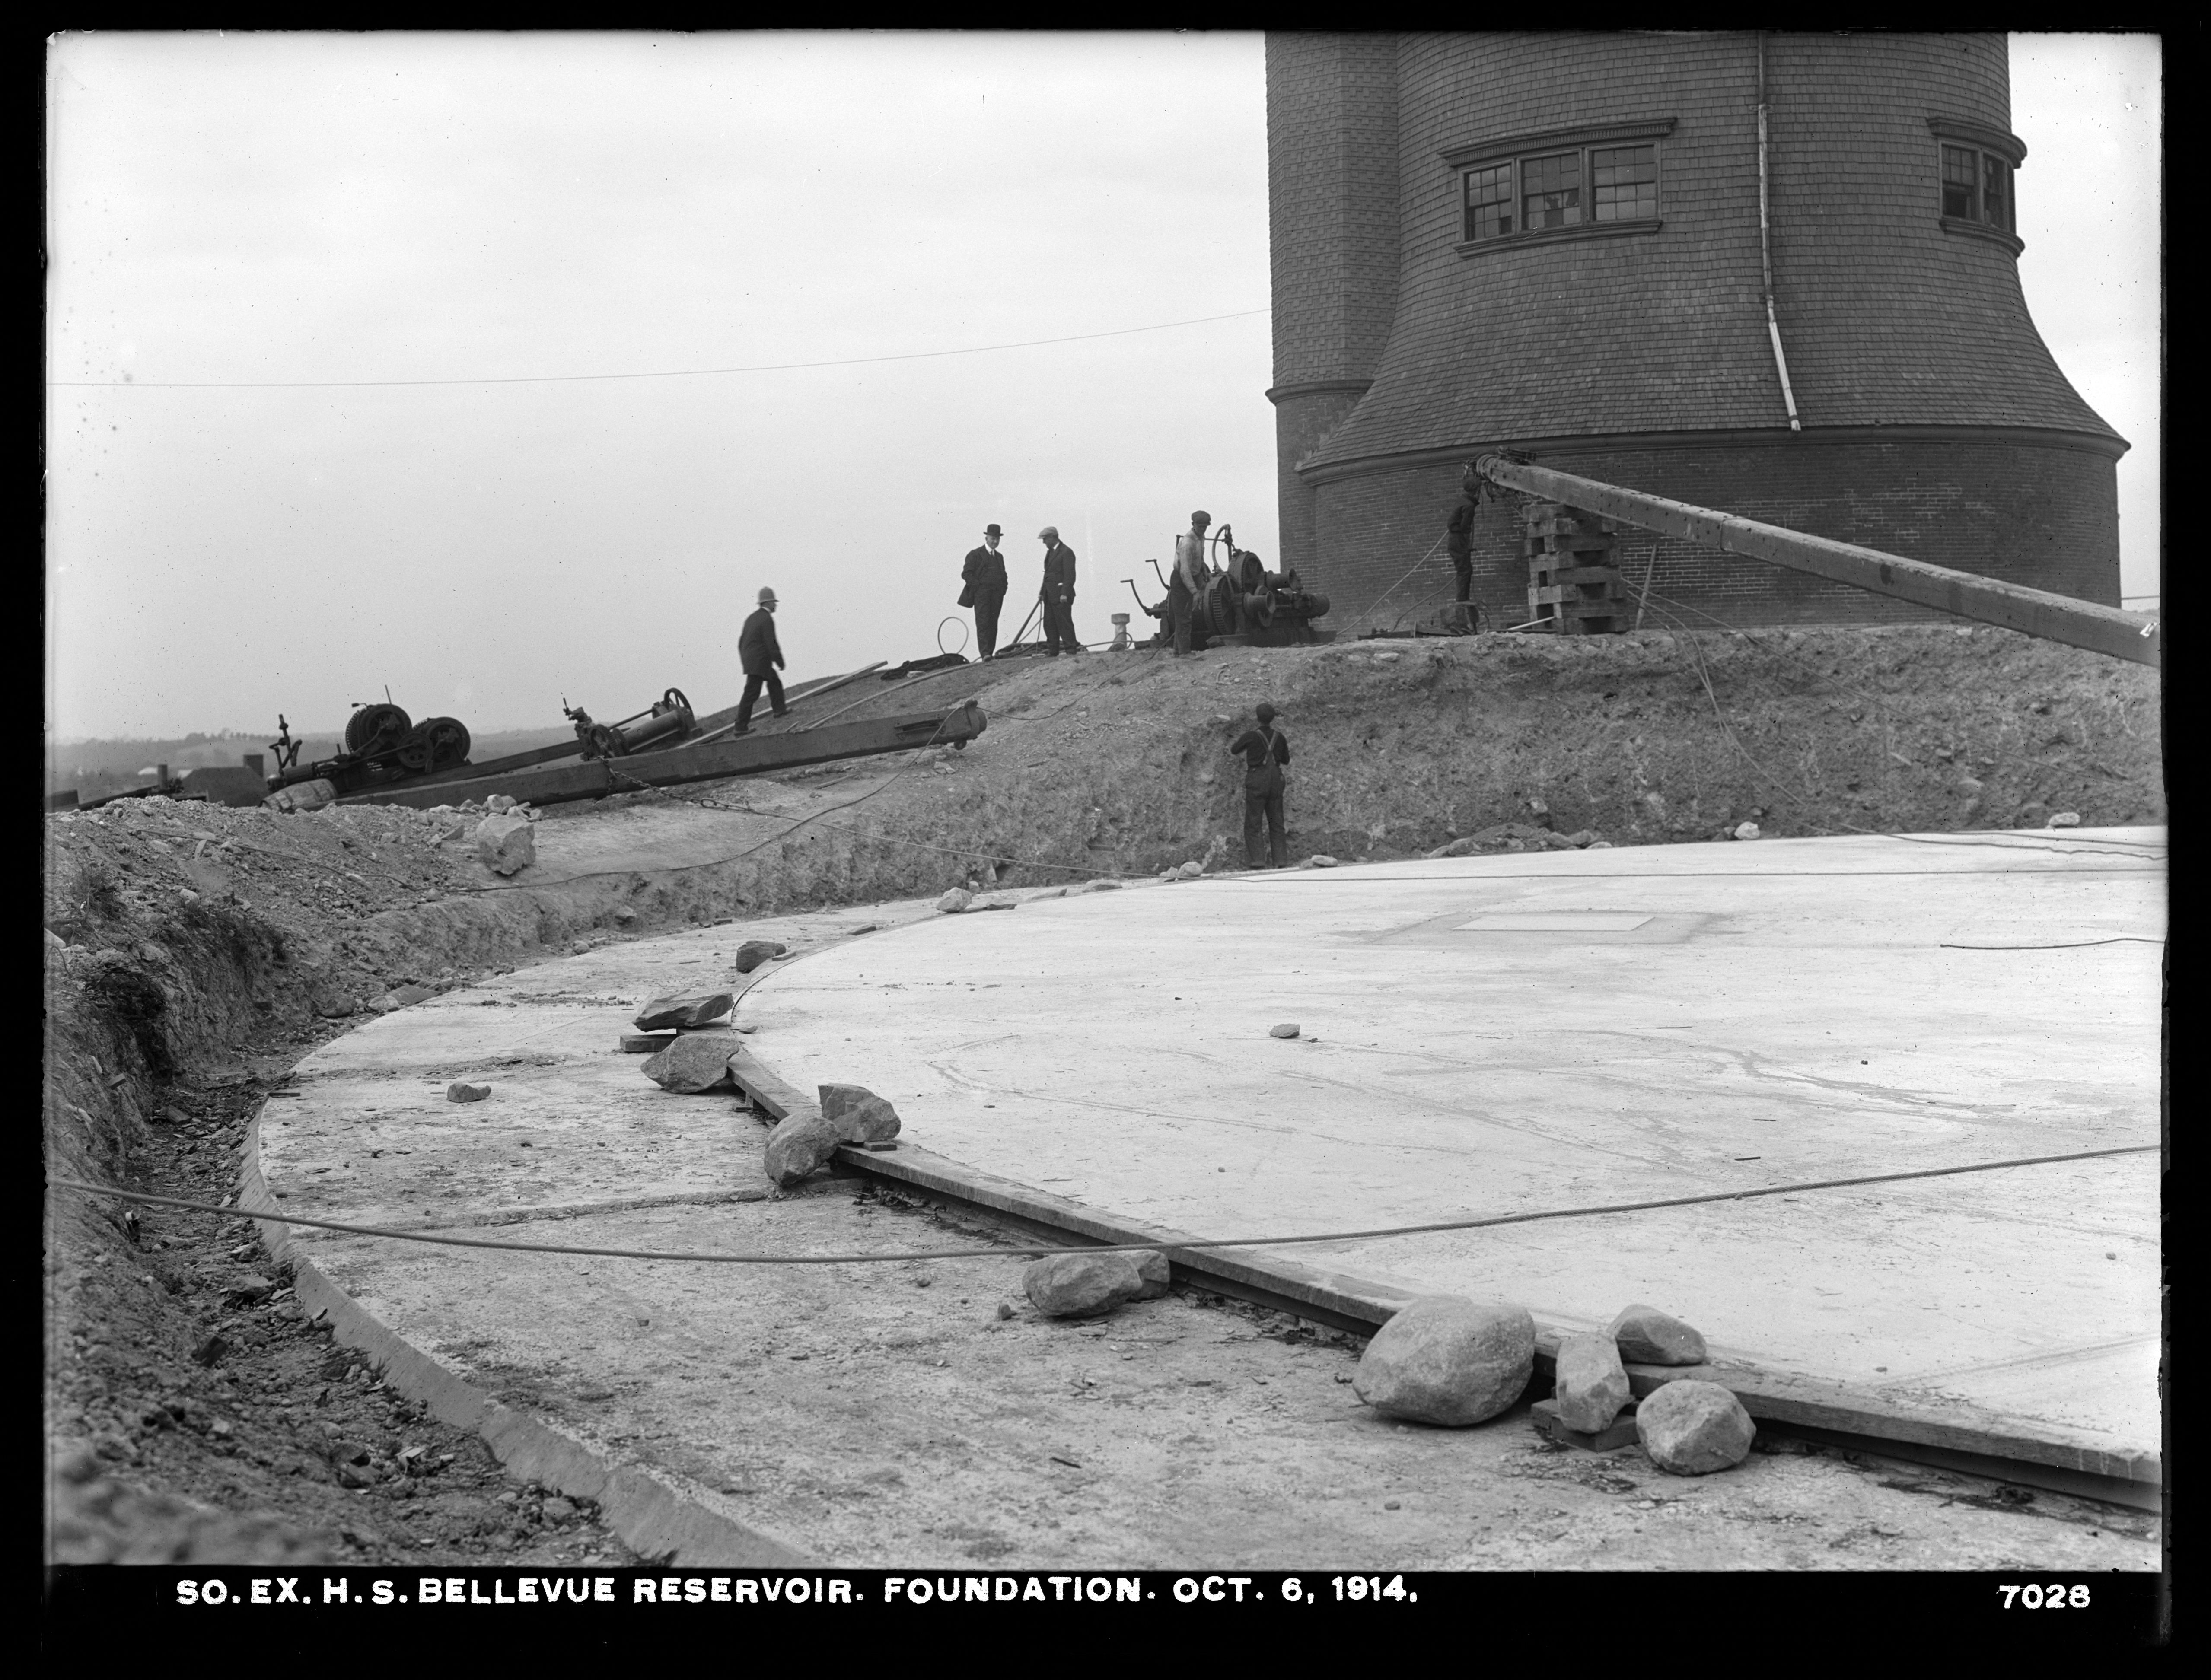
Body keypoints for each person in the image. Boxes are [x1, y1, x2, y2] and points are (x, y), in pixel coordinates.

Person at [1228, 701, 1291, 869]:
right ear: (1273, 718)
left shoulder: (1251, 736)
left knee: (1254, 821)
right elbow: (1286, 760)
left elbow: (1235, 750)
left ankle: (1257, 860)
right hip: (1276, 780)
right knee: (1277, 820)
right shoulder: (1280, 737)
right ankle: (1281, 860)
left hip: (1257, 779)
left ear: (1257, 718)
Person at [733, 586, 788, 734]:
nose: (776, 605)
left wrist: (747, 660)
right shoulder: (767, 619)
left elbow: (741, 642)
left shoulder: (752, 618)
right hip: (759, 661)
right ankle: (740, 727)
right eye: (774, 602)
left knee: (774, 681)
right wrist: (780, 661)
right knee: (751, 694)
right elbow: (772, 643)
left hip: (754, 660)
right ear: (768, 603)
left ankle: (780, 710)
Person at [962, 524, 1009, 659]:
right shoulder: (975, 555)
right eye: (993, 538)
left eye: (998, 539)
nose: (995, 541)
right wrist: (979, 589)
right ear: (986, 538)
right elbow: (966, 574)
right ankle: (985, 654)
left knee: (993, 623)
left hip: (997, 596)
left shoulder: (999, 557)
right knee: (983, 623)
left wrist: (1003, 590)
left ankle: (990, 652)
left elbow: (1004, 575)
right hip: (982, 596)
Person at [1169, 509, 1211, 656]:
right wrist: (1195, 592)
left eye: (1205, 527)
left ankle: (1176, 651)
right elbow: (1185, 572)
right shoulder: (1188, 542)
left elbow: (1200, 557)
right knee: (1184, 617)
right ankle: (1185, 653)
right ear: (1193, 524)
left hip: (1194, 575)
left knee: (1184, 616)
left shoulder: (1201, 537)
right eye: (1200, 527)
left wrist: (1204, 569)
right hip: (1181, 580)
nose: (1203, 529)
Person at [1039, 525, 1082, 655]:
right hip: (1049, 596)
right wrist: (1042, 592)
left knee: (1064, 624)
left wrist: (1064, 594)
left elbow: (1070, 576)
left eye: (1045, 539)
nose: (1044, 542)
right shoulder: (1050, 552)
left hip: (1061, 597)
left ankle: (1071, 650)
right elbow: (1048, 575)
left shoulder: (1066, 552)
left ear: (1053, 538)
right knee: (1049, 624)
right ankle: (1053, 651)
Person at [1446, 493, 1478, 605]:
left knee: (1465, 569)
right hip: (1458, 540)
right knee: (1465, 570)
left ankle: (1463, 599)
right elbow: (1465, 527)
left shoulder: (1462, 500)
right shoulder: (1469, 506)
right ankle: (1462, 600)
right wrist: (1466, 544)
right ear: (1476, 490)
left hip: (1455, 539)